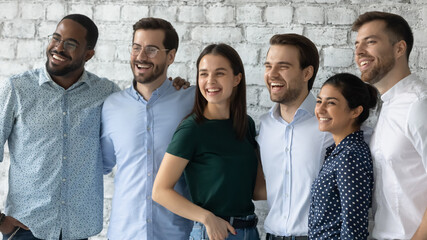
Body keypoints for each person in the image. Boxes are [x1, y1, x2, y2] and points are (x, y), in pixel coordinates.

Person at [0, 14, 120, 240]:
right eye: (56, 38)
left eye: (71, 44)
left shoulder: (106, 94)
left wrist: (174, 89)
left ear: (88, 54)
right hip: (25, 230)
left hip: (78, 230)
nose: (59, 47)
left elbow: (140, 110)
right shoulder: (17, 89)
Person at [152, 43, 265, 240]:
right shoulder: (192, 129)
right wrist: (206, 218)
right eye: (203, 74)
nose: (210, 81)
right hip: (214, 233)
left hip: (250, 232)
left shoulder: (245, 124)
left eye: (219, 73)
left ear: (237, 78)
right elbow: (160, 191)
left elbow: (257, 191)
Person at [100, 17, 194, 240]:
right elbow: (100, 165)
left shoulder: (192, 101)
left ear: (170, 56)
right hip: (124, 234)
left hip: (179, 234)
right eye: (136, 48)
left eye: (151, 49)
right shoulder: (111, 106)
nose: (141, 57)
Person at [353, 11, 427, 239]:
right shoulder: (388, 105)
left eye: (371, 42)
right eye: (357, 44)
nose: (359, 52)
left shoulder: (419, 105)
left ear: (399, 49)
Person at [256, 33, 334, 239]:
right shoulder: (263, 126)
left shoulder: (331, 124)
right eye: (268, 66)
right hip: (271, 235)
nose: (272, 74)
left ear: (307, 72)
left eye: (283, 66)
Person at [308, 73, 377, 239]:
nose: (320, 109)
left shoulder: (350, 155)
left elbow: (353, 224)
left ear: (355, 111)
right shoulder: (338, 151)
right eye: (319, 101)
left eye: (331, 102)